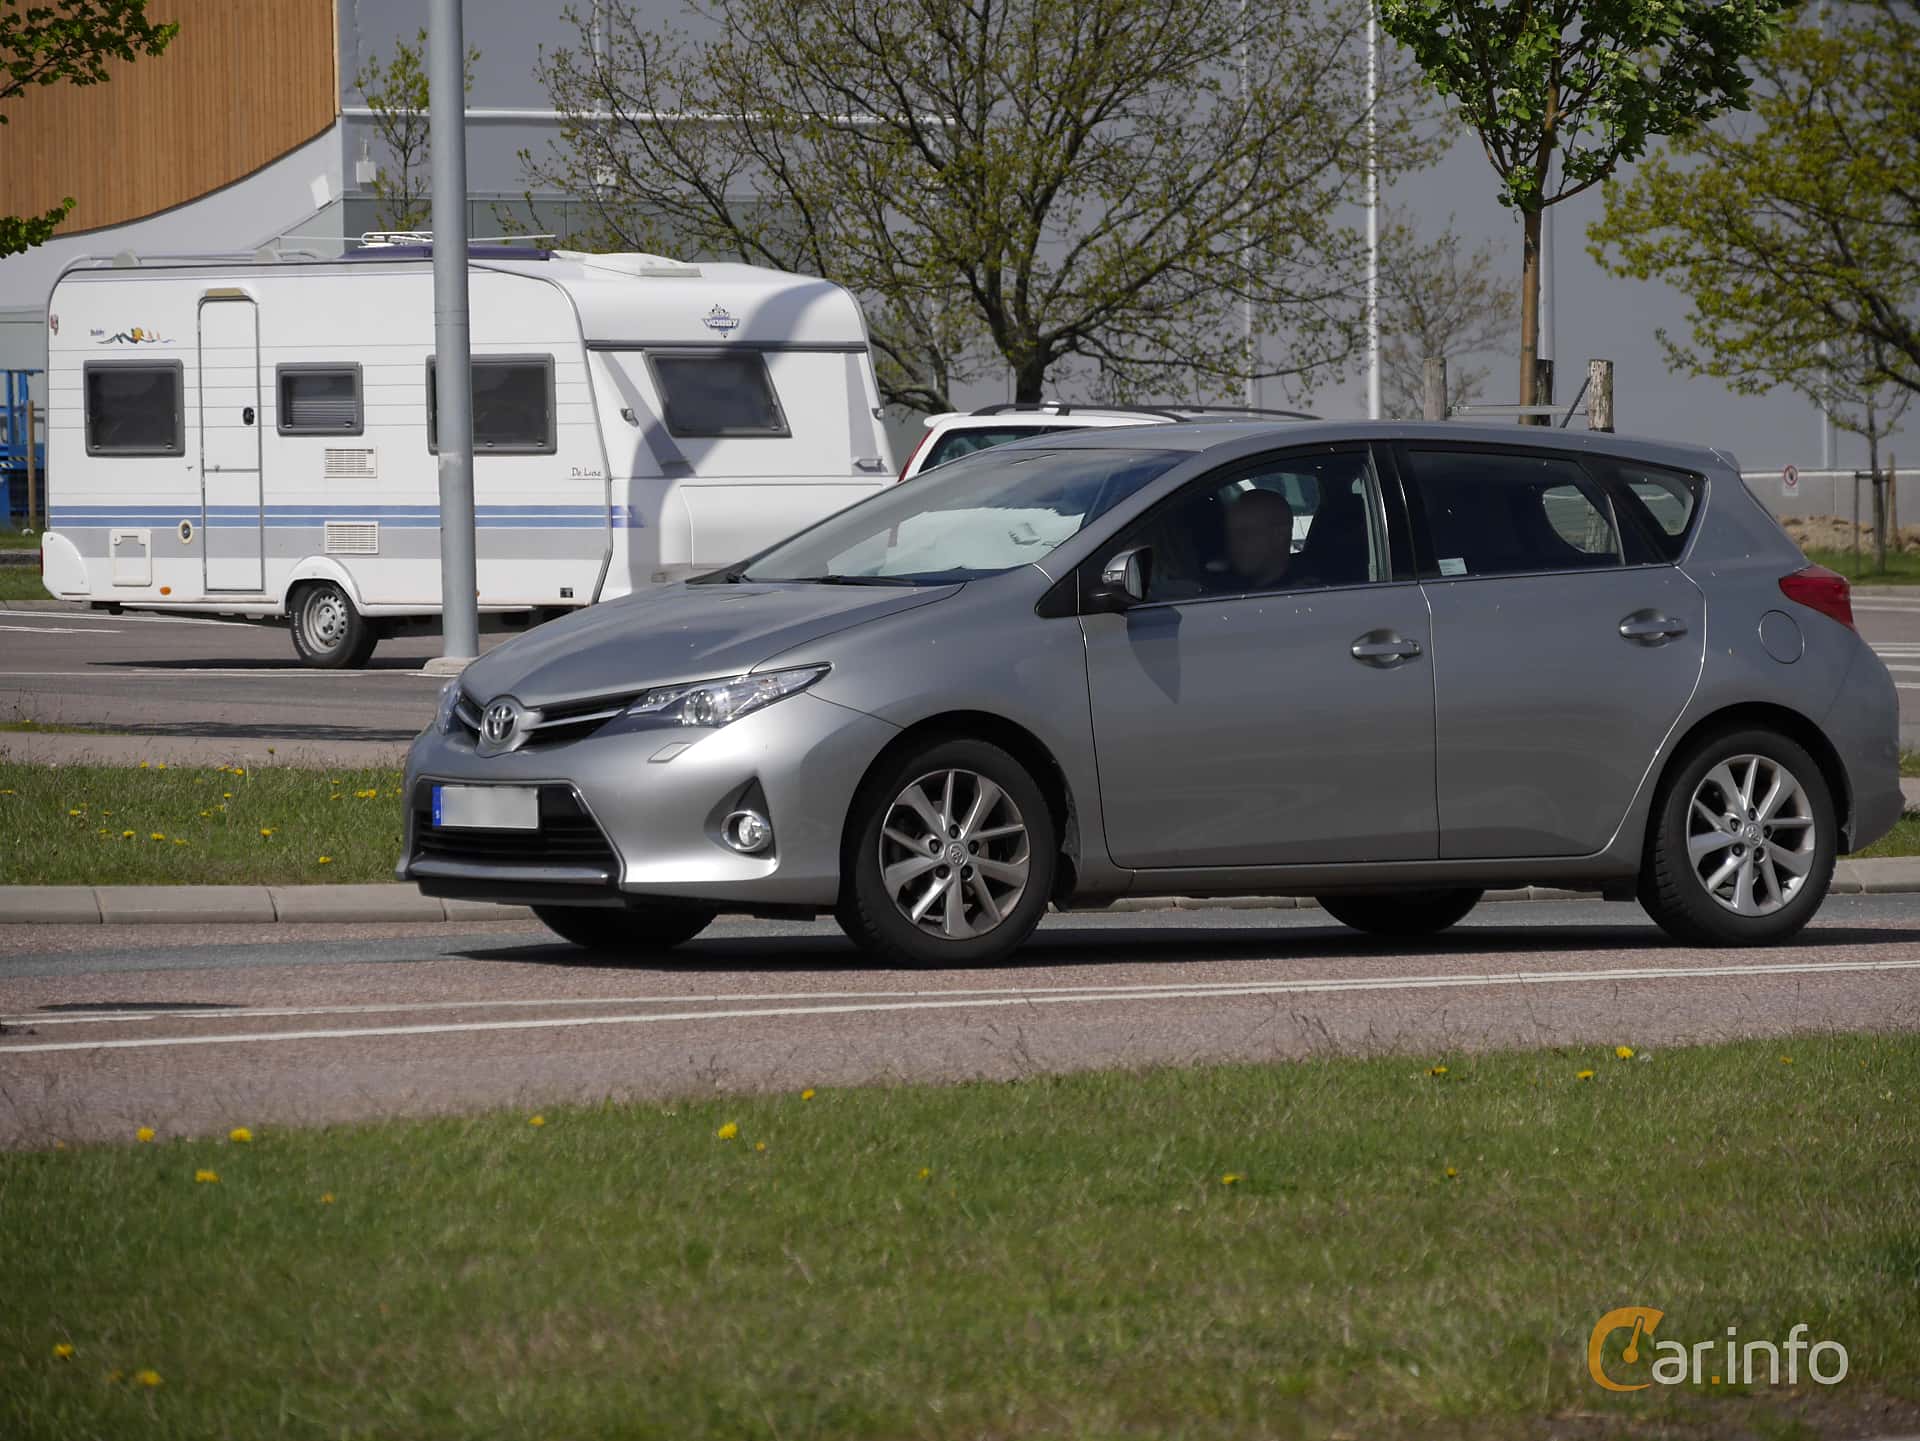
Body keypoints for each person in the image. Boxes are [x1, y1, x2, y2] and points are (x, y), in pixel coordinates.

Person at [1224, 487, 1294, 591]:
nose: (1234, 542)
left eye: (1244, 533)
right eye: (1230, 533)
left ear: (1280, 535)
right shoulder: (1220, 587)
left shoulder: (1305, 597)